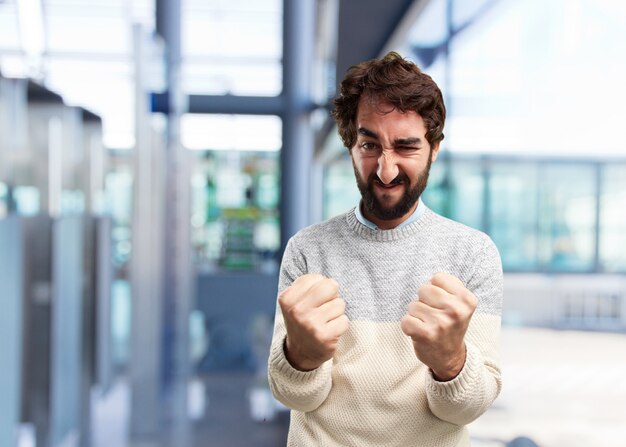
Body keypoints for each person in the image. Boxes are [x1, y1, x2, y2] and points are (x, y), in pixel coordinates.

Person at [268, 51, 503, 447]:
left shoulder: (473, 253)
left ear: (434, 149)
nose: (386, 170)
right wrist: (300, 358)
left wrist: (451, 363)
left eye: (407, 147)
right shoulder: (307, 249)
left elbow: (467, 409)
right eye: (369, 145)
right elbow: (293, 396)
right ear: (350, 145)